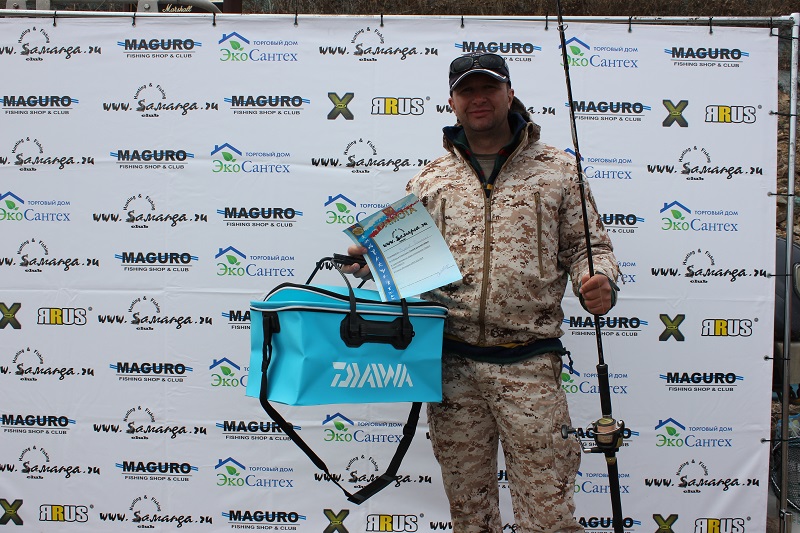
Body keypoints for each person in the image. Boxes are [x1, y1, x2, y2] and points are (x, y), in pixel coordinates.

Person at [343, 52, 620, 533]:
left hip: (530, 363)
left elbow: (589, 248)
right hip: (452, 368)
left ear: (509, 94)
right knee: (470, 516)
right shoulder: (429, 179)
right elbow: (410, 259)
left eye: (488, 88)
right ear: (451, 101)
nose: (478, 99)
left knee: (549, 515)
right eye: (466, 90)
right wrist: (370, 261)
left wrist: (600, 282)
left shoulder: (559, 171)